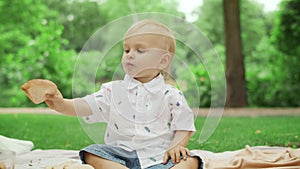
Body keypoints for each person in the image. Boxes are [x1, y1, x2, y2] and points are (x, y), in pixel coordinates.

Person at [45, 19, 202, 169]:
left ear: (162, 61)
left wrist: (176, 146)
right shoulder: (113, 90)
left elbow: (184, 123)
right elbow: (86, 106)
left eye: (140, 50)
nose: (130, 54)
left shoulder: (170, 94)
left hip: (159, 156)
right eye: (126, 50)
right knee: (92, 153)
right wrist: (61, 103)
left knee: (191, 161)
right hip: (119, 154)